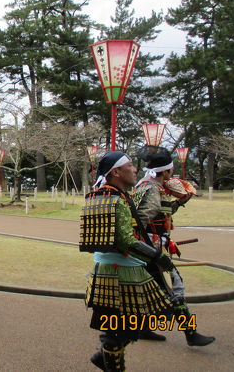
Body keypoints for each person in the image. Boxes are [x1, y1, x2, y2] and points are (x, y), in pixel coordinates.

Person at [82, 151, 174, 371]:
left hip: (117, 268)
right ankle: (109, 361)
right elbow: (125, 240)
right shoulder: (114, 197)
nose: (135, 170)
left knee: (129, 324)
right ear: (116, 172)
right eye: (130, 166)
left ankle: (102, 357)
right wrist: (157, 256)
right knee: (121, 329)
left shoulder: (107, 194)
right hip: (119, 272)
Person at [133, 149, 215, 347]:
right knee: (175, 287)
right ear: (165, 172)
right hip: (151, 248)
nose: (172, 172)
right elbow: (146, 214)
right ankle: (190, 333)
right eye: (170, 169)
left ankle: (143, 327)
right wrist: (146, 241)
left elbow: (159, 211)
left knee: (148, 289)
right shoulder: (152, 188)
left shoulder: (144, 185)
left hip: (145, 247)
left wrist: (178, 202)